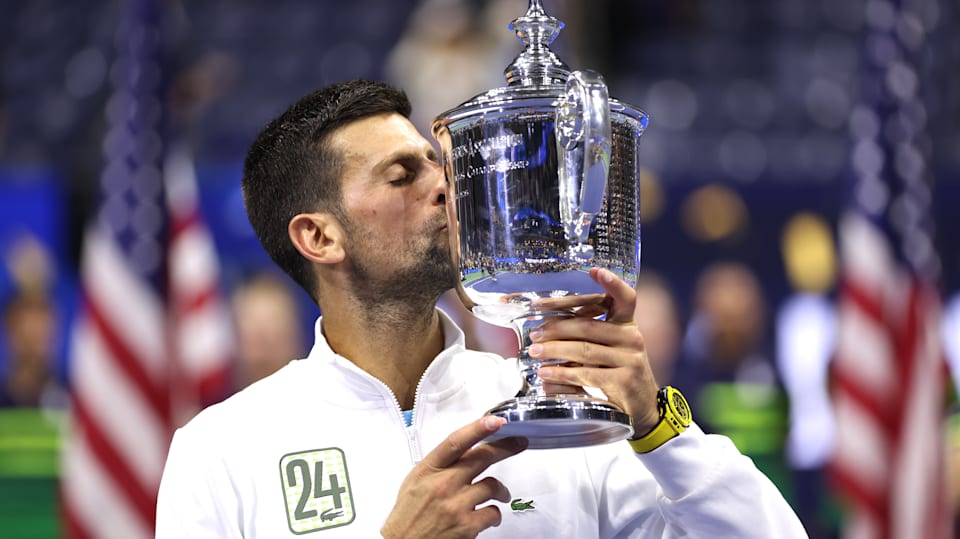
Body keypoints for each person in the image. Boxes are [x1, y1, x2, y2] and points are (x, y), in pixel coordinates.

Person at [156, 80, 806, 538]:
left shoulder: (563, 419)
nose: (446, 184)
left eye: (439, 165)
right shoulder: (221, 450)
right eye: (402, 175)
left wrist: (656, 424)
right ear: (319, 237)